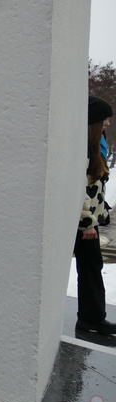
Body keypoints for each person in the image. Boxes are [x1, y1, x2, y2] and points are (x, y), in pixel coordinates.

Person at [75, 96, 116, 334]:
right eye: (105, 119)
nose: (108, 123)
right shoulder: (83, 148)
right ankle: (91, 319)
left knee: (92, 265)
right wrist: (88, 223)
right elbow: (79, 188)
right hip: (84, 224)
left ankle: (92, 317)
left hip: (89, 221)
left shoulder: (93, 145)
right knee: (90, 266)